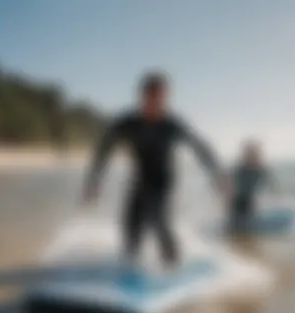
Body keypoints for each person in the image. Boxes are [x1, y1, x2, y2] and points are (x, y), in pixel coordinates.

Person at [83, 71, 227, 269]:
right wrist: (94, 180)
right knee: (130, 227)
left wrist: (216, 175)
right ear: (142, 97)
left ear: (166, 98)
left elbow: (200, 147)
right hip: (140, 180)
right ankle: (130, 266)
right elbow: (104, 149)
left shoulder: (172, 124)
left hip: (164, 180)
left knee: (158, 220)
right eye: (151, 97)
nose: (156, 103)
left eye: (161, 98)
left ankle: (173, 264)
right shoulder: (127, 123)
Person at [229, 139, 277, 232]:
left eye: (255, 155)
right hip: (240, 201)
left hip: (251, 201)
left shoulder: (261, 171)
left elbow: (269, 187)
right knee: (239, 221)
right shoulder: (239, 170)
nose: (252, 158)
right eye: (250, 155)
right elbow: (232, 187)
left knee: (250, 216)